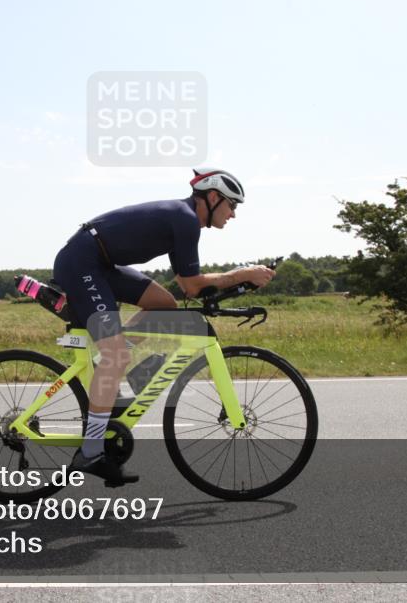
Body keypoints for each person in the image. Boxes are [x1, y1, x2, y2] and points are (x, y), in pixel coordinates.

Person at [53, 169, 275, 485]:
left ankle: (111, 366)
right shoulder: (185, 219)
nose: (234, 214)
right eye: (231, 205)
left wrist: (237, 280)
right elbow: (193, 286)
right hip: (82, 263)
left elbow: (185, 290)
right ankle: (90, 452)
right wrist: (242, 274)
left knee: (163, 305)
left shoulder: (184, 219)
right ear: (213, 198)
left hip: (100, 263)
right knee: (116, 356)